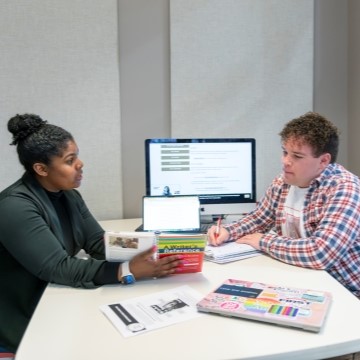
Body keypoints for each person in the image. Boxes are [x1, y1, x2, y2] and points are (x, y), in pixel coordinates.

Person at [0, 114, 183, 355]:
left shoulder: (68, 195)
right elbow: (59, 267)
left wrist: (153, 248)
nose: (80, 164)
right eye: (70, 160)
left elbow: (98, 242)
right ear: (41, 168)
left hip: (56, 298)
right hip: (25, 315)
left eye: (77, 156)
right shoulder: (14, 207)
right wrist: (127, 271)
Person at [208, 111, 360, 299]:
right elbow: (259, 218)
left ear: (323, 161)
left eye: (296, 156)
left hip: (345, 291)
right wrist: (228, 231)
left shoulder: (345, 188)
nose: (285, 161)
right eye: (285, 152)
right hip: (302, 280)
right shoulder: (283, 182)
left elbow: (321, 253)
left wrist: (264, 241)